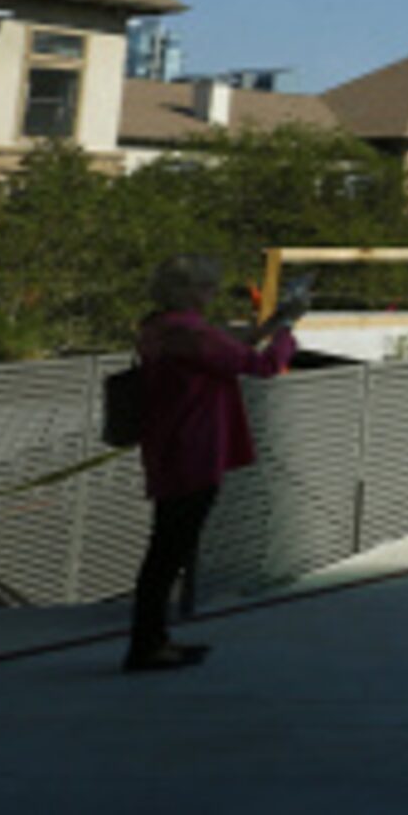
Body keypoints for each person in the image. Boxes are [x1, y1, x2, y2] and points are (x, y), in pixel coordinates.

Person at [124, 254, 302, 673]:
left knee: (166, 549)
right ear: (186, 293)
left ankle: (154, 640)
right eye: (206, 287)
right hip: (195, 448)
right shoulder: (191, 335)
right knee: (170, 550)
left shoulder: (157, 328)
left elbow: (233, 348)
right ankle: (146, 645)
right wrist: (288, 330)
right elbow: (261, 364)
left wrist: (271, 323)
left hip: (169, 445)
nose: (213, 294)